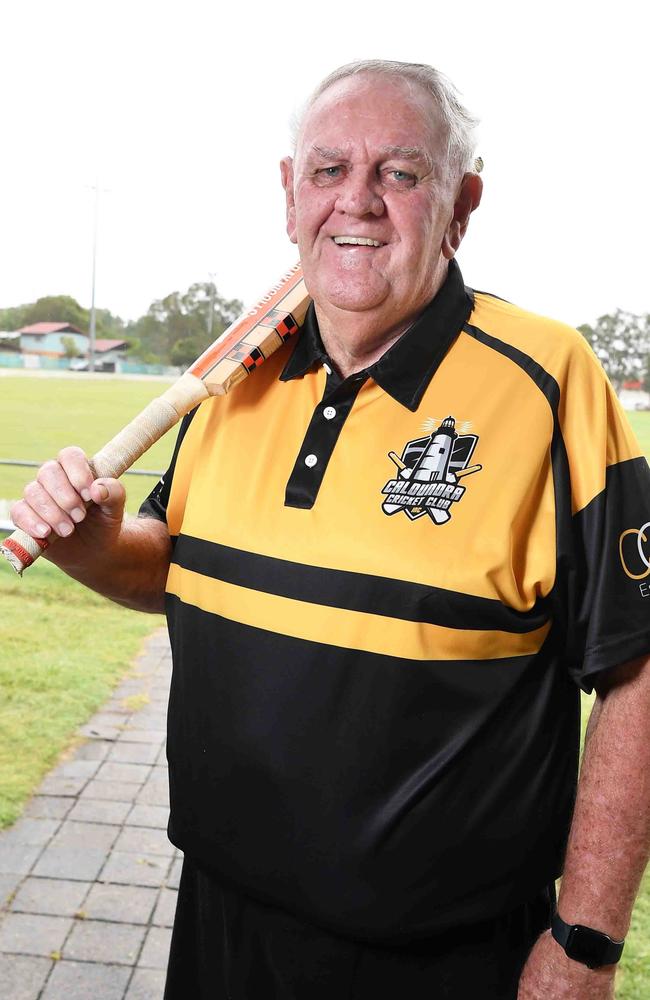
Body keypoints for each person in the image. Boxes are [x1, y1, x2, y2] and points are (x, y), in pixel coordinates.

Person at [11, 60, 650, 1000]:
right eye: (327, 170)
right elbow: (172, 563)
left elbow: (635, 668)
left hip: (445, 954)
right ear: (288, 191)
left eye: (400, 171)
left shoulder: (551, 380)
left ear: (462, 201)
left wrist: (585, 943)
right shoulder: (236, 371)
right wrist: (92, 547)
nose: (357, 200)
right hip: (219, 920)